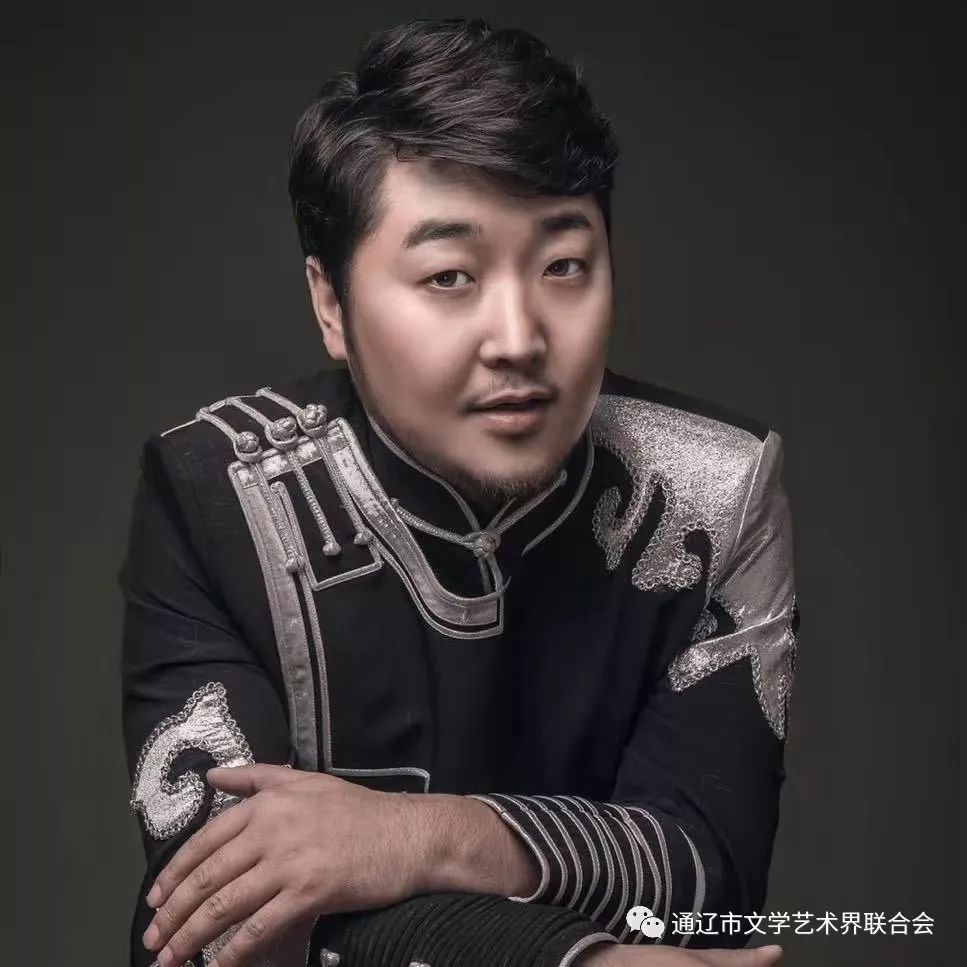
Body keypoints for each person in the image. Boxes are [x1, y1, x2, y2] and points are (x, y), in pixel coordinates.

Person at [120, 17, 798, 967]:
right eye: (448, 276)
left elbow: (707, 873)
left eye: (563, 266)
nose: (519, 337)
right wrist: (583, 959)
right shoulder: (216, 495)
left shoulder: (710, 491)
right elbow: (228, 912)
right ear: (330, 304)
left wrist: (414, 837)